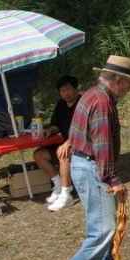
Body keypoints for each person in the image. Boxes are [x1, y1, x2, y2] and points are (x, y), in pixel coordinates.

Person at [58, 55, 130, 260]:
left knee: (107, 223)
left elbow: (77, 132)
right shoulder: (102, 102)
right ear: (118, 80)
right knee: (103, 229)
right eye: (129, 83)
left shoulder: (91, 94)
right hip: (91, 168)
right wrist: (112, 180)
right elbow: (102, 147)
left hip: (85, 166)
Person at [33, 75, 80, 211]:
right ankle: (58, 185)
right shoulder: (61, 104)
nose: (65, 93)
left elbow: (84, 129)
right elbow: (56, 125)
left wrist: (69, 142)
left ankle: (67, 194)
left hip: (82, 144)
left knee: (62, 154)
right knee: (39, 155)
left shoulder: (82, 103)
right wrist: (50, 130)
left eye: (68, 89)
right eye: (62, 91)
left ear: (75, 89)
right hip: (66, 143)